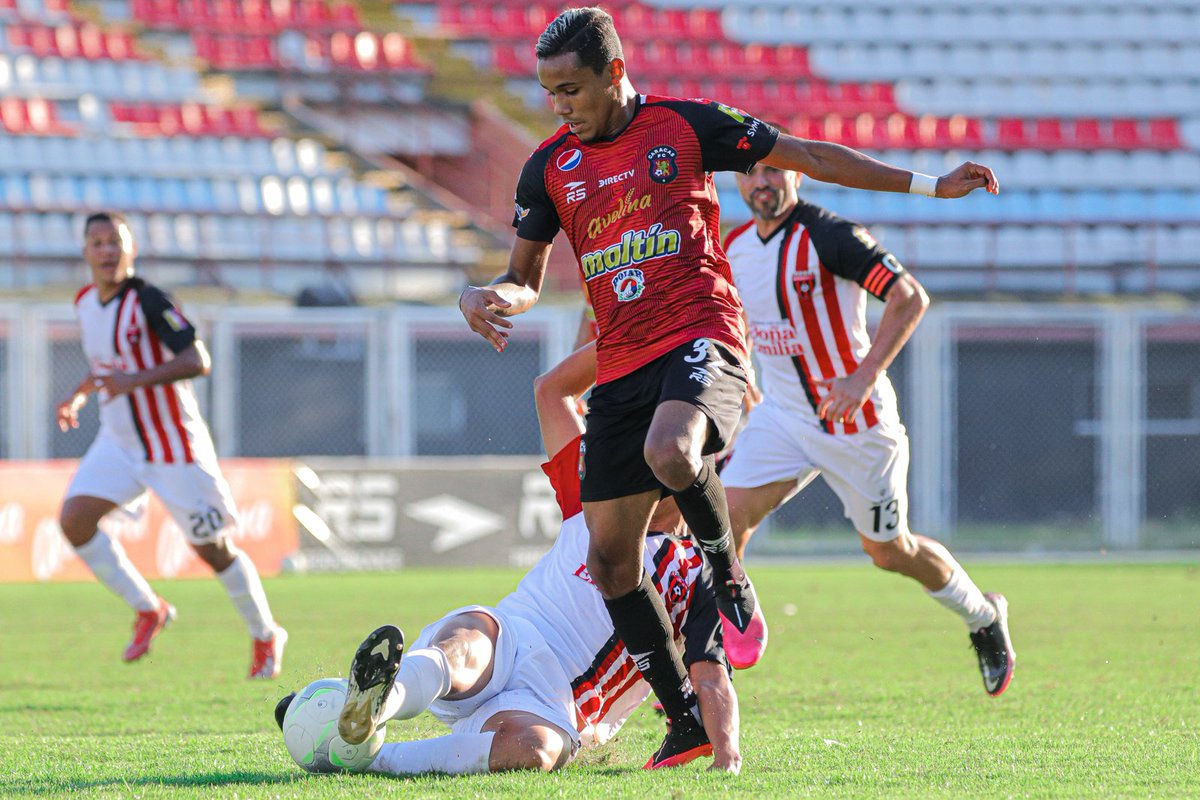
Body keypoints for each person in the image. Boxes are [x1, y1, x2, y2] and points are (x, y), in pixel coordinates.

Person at [458, 6, 999, 764]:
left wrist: (930, 185)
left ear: (615, 72)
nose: (560, 105)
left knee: (673, 453)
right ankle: (682, 717)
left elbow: (809, 153)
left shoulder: (687, 127)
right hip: (623, 363)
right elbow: (523, 278)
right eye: (550, 92)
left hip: (703, 338)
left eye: (572, 89)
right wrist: (485, 297)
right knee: (612, 559)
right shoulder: (548, 168)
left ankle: (728, 572)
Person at [284, 342, 740, 774]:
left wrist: (728, 757)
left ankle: (369, 756)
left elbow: (711, 676)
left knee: (538, 750)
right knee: (469, 640)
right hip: (515, 635)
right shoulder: (594, 496)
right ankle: (387, 696)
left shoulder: (701, 572)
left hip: (558, 704)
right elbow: (551, 390)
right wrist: (640, 337)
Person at [720, 157, 1015, 695]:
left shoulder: (831, 236)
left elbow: (909, 298)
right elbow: (737, 318)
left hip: (857, 423)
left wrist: (860, 378)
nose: (761, 182)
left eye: (773, 172)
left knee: (888, 551)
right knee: (721, 518)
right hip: (783, 417)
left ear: (797, 175)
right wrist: (742, 376)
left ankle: (982, 615)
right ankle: (728, 634)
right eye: (750, 174)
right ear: (737, 181)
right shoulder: (735, 247)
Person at [56, 211, 286, 679]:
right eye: (97, 242)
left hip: (172, 444)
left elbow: (196, 359)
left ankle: (265, 633)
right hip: (118, 441)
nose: (106, 251)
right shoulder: (85, 302)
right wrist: (79, 395)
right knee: (75, 520)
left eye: (114, 242)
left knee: (212, 549)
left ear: (130, 248)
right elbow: (106, 364)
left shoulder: (148, 299)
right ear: (85, 252)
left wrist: (133, 381)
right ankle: (149, 608)